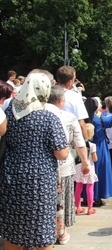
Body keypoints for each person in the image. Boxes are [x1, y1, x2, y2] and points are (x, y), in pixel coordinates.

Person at [0, 72, 69, 250]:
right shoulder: (48, 118)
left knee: (13, 230)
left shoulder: (8, 113)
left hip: (11, 176)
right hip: (40, 180)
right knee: (42, 231)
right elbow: (61, 153)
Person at [46, 84, 90, 245]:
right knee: (62, 199)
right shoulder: (68, 117)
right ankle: (61, 232)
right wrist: (85, 162)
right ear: (61, 100)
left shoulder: (36, 114)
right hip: (63, 164)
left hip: (42, 166)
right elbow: (79, 142)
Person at [84, 97, 112, 206]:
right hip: (99, 147)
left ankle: (87, 196)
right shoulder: (97, 119)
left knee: (88, 172)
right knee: (99, 171)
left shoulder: (84, 117)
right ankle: (96, 197)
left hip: (86, 147)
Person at [56, 65, 89, 139]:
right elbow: (81, 123)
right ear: (70, 82)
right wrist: (86, 142)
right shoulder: (74, 96)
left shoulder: (49, 93)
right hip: (67, 138)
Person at [75, 123, 98, 216]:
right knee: (89, 188)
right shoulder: (92, 145)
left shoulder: (78, 144)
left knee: (78, 187)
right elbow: (95, 158)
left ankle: (78, 207)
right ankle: (90, 208)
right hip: (89, 167)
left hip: (78, 167)